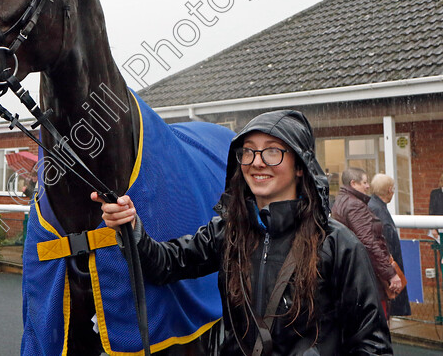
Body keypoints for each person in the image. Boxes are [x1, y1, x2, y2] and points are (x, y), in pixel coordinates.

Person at [93, 110, 391, 354]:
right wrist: (131, 226)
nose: (257, 162)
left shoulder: (338, 244)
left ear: (300, 165)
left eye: (272, 151)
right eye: (248, 152)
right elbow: (164, 265)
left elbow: (371, 344)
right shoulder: (228, 233)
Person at [332, 167, 402, 317]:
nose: (368, 186)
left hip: (351, 276)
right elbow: (369, 242)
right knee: (377, 323)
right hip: (366, 277)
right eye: (364, 182)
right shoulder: (355, 205)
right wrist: (390, 274)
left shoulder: (341, 201)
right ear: (353, 183)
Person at [369, 173, 411, 317]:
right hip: (384, 278)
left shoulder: (371, 206)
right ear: (389, 190)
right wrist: (391, 274)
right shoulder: (379, 212)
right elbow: (384, 249)